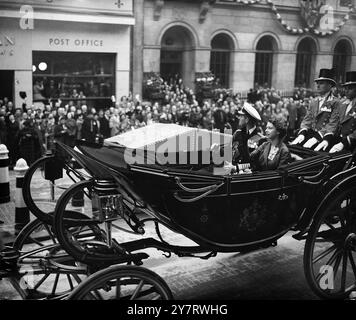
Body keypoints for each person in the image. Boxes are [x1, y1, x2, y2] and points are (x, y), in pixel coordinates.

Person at [291, 68, 340, 149]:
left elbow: (332, 124)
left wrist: (317, 138)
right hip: (311, 134)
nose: (318, 85)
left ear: (330, 85)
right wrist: (302, 133)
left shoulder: (336, 102)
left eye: (321, 83)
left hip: (325, 137)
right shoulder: (313, 101)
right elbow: (307, 119)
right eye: (317, 83)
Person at [328, 71, 356, 153]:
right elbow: (335, 122)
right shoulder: (342, 103)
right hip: (339, 141)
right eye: (345, 88)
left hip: (352, 144)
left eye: (350, 88)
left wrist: (345, 142)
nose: (346, 91)